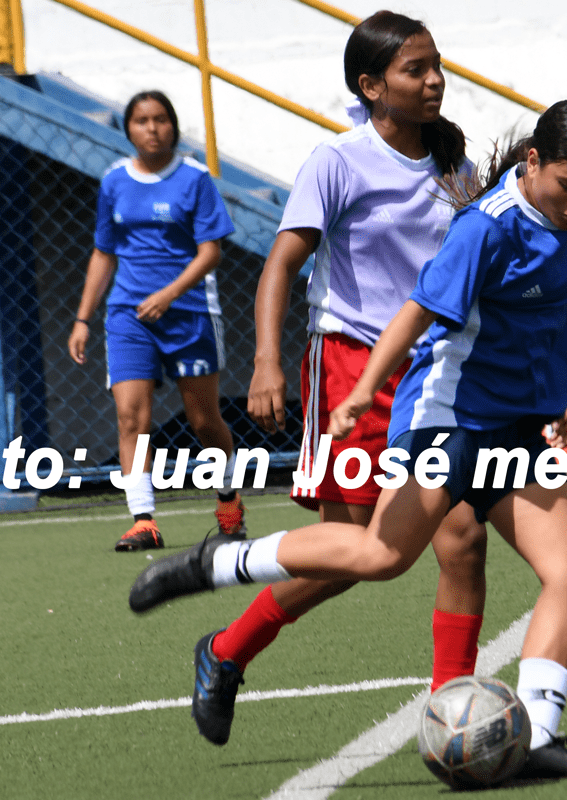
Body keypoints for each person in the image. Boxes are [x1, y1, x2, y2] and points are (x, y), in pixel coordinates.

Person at [131, 99, 567, 777]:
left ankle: (536, 738)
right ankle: (219, 564)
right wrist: (364, 391)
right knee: (380, 555)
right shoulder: (487, 228)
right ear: (534, 162)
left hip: (514, 429)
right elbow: (419, 309)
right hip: (448, 419)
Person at [191, 11, 498, 748]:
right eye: (414, 70)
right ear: (371, 85)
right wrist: (266, 362)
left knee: (461, 539)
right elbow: (280, 266)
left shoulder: (458, 170)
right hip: (353, 366)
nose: (433, 81)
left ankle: (449, 714)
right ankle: (227, 649)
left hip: (434, 373)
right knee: (351, 555)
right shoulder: (338, 161)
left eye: (436, 66)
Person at [68, 90, 244, 551]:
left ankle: (228, 501)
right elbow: (104, 253)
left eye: (161, 119)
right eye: (142, 120)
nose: (152, 128)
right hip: (129, 316)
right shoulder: (113, 182)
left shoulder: (195, 179)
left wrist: (168, 294)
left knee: (204, 420)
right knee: (131, 418)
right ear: (128, 129)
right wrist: (83, 318)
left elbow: (211, 252)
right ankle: (143, 520)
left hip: (189, 314)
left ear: (173, 125)